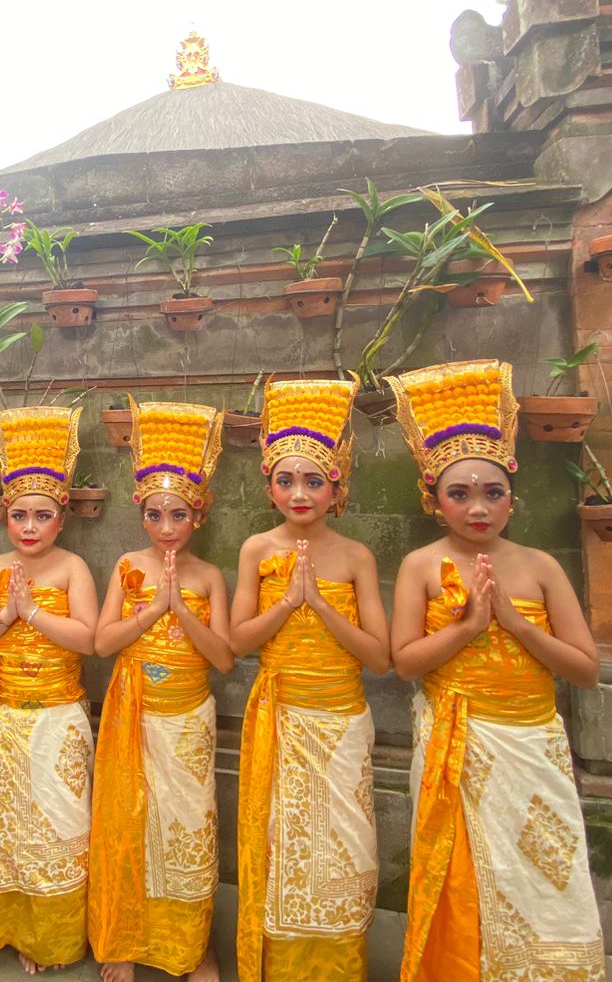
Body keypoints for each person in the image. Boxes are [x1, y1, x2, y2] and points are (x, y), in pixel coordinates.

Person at [388, 360, 605, 982]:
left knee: (547, 879)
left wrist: (516, 623)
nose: (478, 507)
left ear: (514, 499)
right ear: (434, 502)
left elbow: (585, 672)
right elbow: (404, 663)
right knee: (463, 878)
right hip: (458, 745)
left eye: (492, 493)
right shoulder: (420, 567)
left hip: (533, 743)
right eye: (459, 494)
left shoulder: (540, 567)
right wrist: (464, 629)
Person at [229, 374, 390, 982]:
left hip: (342, 724)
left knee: (346, 851)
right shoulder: (255, 550)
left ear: (335, 488)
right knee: (282, 849)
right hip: (280, 718)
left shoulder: (355, 558)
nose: (300, 492)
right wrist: (285, 605)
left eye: (313, 480)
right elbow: (236, 644)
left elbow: (380, 658)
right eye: (286, 480)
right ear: (269, 487)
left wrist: (320, 605)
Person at [0, 405, 99, 976]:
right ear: (5, 519)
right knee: (10, 827)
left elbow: (87, 640)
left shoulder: (72, 568)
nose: (29, 528)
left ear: (62, 520)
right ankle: (12, 927)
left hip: (58, 719)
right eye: (18, 516)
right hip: (8, 719)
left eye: (41, 516)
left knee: (60, 826)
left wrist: (30, 612)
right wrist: (6, 612)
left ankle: (56, 937)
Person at [89, 399, 235, 982]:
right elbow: (102, 644)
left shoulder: (208, 576)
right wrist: (153, 610)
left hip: (189, 722)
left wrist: (183, 609)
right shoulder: (127, 565)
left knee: (188, 826)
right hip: (134, 714)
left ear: (198, 515)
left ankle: (193, 947)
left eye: (179, 515)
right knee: (130, 824)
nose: (167, 528)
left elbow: (224, 658)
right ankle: (125, 937)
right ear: (140, 513)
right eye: (156, 515)